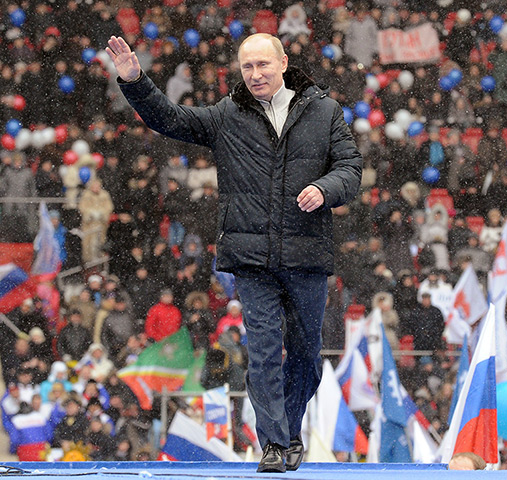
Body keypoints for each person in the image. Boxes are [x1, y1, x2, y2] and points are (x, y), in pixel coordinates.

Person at [107, 33, 362, 472]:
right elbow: (170, 118)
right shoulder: (229, 114)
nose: (256, 74)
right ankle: (275, 446)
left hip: (306, 256)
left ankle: (288, 428)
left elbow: (351, 168)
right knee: (262, 351)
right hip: (251, 258)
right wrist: (134, 80)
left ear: (283, 62)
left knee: (306, 356)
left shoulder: (324, 111)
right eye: (248, 67)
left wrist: (325, 188)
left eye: (264, 65)